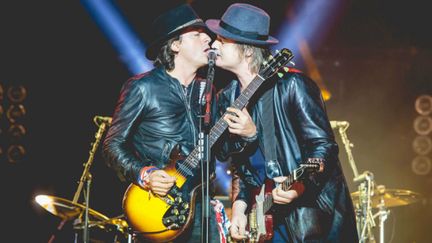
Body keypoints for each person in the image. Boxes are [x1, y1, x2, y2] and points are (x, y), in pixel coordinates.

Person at [206, 3, 359, 242]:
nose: (213, 45)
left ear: (247, 51)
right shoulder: (227, 97)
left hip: (309, 218)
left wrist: (299, 185)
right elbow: (240, 165)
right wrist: (239, 207)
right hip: (265, 214)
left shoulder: (293, 86)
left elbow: (324, 148)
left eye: (223, 40)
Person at [102, 4, 222, 243]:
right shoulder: (143, 88)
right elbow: (112, 145)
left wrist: (247, 133)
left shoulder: (207, 89)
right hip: (158, 205)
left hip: (200, 204)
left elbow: (222, 148)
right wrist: (144, 173)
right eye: (197, 34)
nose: (207, 38)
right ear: (175, 45)